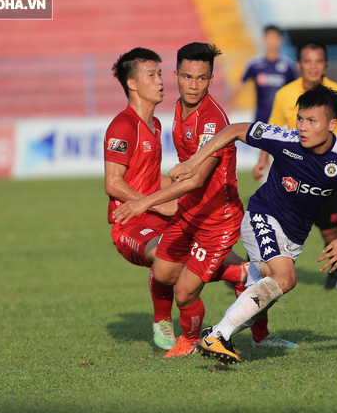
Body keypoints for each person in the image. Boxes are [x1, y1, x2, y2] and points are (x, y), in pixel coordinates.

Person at [169, 83, 337, 364]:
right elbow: (234, 130)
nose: (302, 127)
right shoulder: (285, 139)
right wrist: (194, 162)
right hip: (261, 216)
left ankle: (224, 319)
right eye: (300, 119)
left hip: (294, 237)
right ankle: (216, 337)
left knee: (260, 296)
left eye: (311, 121)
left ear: (333, 124)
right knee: (285, 278)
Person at [112, 42, 296, 358]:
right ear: (176, 75)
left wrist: (145, 202)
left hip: (217, 220)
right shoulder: (174, 109)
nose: (194, 85)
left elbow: (196, 177)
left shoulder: (212, 120)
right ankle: (245, 294)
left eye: (202, 78)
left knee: (184, 292)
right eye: (187, 77)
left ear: (211, 79)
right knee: (163, 273)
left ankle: (191, 340)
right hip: (189, 212)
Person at [104, 47, 248, 353]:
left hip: (193, 214)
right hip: (129, 222)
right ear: (133, 83)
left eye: (159, 74)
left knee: (178, 275)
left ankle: (242, 320)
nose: (160, 82)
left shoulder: (158, 123)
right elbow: (113, 184)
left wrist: (161, 200)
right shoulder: (123, 126)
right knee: (169, 266)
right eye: (153, 75)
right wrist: (154, 202)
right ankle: (164, 322)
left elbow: (176, 178)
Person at [255, 41, 337, 291]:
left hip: (327, 178)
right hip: (292, 173)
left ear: (326, 64)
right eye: (308, 61)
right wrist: (262, 161)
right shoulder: (285, 94)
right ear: (299, 64)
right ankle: (257, 271)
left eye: (318, 61)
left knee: (329, 229)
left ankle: (336, 273)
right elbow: (271, 132)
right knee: (272, 220)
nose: (313, 66)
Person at [229, 25, 296, 125]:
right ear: (264, 40)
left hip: (282, 120)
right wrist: (231, 104)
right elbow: (240, 86)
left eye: (275, 37)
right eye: (269, 37)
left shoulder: (288, 66)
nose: (272, 41)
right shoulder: (254, 64)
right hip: (260, 119)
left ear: (280, 40)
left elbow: (295, 91)